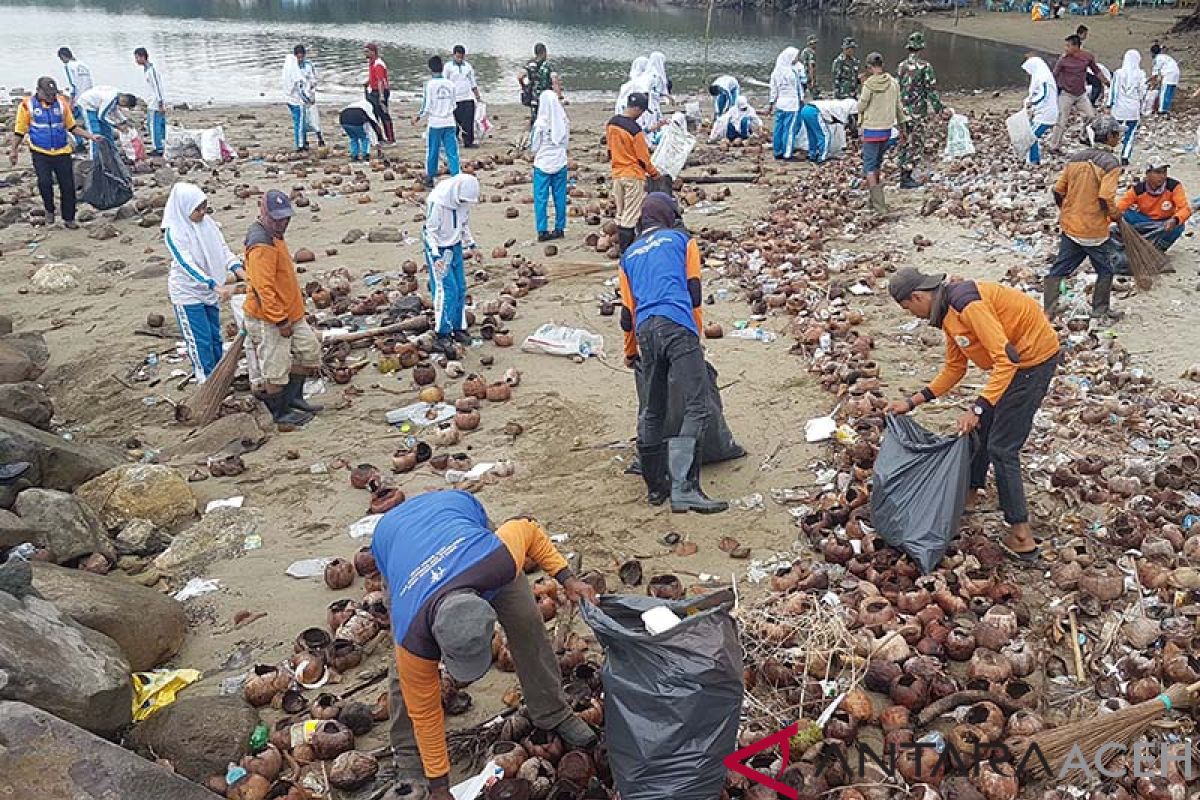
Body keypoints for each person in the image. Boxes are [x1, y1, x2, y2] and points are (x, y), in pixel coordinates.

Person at [372, 490, 599, 800]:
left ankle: (551, 710)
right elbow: (425, 712)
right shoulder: (413, 631)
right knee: (407, 678)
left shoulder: (498, 560)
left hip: (456, 515)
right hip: (394, 539)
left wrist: (568, 578)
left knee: (527, 622)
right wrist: (440, 786)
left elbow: (528, 528)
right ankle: (411, 756)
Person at [887, 268, 1060, 562]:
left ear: (917, 297)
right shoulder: (947, 314)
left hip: (1032, 363)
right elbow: (955, 368)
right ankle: (969, 494)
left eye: (907, 308)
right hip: (1011, 369)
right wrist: (913, 401)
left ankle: (1022, 536)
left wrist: (978, 407)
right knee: (978, 431)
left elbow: (1007, 358)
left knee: (1002, 448)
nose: (911, 315)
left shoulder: (966, 304)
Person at [619, 193, 727, 515]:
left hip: (646, 331)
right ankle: (685, 488)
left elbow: (627, 313)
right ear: (669, 216)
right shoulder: (683, 241)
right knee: (697, 406)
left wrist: (630, 351)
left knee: (653, 409)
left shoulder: (628, 255)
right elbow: (694, 293)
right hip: (677, 324)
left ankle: (656, 487)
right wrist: (694, 335)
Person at [243, 190, 324, 427]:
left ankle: (294, 399)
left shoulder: (274, 234)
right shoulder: (261, 243)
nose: (282, 223)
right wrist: (279, 320)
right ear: (263, 213)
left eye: (285, 218)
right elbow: (262, 288)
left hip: (291, 313)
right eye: (276, 219)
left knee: (309, 352)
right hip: (269, 317)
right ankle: (279, 413)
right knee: (275, 368)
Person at [1044, 115, 1124, 321]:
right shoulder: (1111, 164)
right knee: (1105, 269)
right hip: (1093, 230)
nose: (1119, 139)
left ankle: (1049, 308)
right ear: (1110, 136)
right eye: (1117, 135)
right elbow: (1106, 197)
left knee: (1060, 268)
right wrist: (1115, 215)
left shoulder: (1076, 158)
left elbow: (1058, 189)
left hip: (1071, 226)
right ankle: (1100, 309)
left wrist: (1067, 210)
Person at [163, 182, 245, 383]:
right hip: (188, 293)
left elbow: (223, 249)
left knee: (215, 337)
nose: (202, 213)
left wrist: (238, 269)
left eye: (204, 208)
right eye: (197, 209)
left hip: (211, 291)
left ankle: (221, 376)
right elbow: (186, 264)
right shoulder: (174, 232)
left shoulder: (208, 224)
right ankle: (206, 381)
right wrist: (214, 285)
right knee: (200, 341)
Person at [8, 77, 96, 229]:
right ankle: (49, 209)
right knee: (44, 182)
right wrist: (14, 150)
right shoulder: (27, 105)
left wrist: (91, 137)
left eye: (53, 94)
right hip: (40, 151)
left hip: (62, 151)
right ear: (39, 91)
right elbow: (20, 130)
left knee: (68, 186)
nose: (51, 97)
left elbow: (72, 127)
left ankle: (69, 218)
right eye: (48, 94)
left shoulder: (61, 104)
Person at [424, 174, 480, 349]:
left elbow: (463, 225)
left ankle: (459, 327)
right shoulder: (438, 203)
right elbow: (429, 232)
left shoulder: (463, 204)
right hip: (439, 250)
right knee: (446, 289)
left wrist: (471, 245)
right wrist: (435, 256)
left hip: (455, 247)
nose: (464, 203)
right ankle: (442, 332)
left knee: (461, 287)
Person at [606, 92, 661, 253]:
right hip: (633, 174)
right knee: (630, 217)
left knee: (621, 214)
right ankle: (627, 252)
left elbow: (610, 150)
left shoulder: (612, 123)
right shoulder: (634, 129)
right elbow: (643, 158)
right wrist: (655, 174)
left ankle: (623, 248)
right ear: (637, 109)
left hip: (617, 173)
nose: (641, 114)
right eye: (642, 111)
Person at [896, 32, 948, 189]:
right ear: (921, 48)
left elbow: (898, 88)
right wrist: (940, 109)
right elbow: (930, 91)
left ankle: (902, 173)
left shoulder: (901, 66)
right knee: (916, 143)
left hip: (903, 111)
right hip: (918, 111)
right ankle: (907, 176)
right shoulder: (925, 67)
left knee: (904, 141)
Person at [858, 52, 907, 215]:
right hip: (887, 129)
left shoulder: (869, 84)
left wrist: (862, 85)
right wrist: (903, 128)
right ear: (882, 65)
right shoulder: (893, 83)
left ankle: (879, 205)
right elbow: (899, 107)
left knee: (869, 167)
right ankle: (874, 201)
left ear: (870, 67)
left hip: (871, 129)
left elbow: (861, 106)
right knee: (877, 163)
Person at [1116, 162, 1190, 253]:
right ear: (1148, 174)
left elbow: (1185, 208)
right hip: (1145, 220)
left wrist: (1175, 219)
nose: (1162, 176)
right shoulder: (1138, 189)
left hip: (1165, 222)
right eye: (1158, 172)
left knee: (1179, 225)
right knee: (1125, 215)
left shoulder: (1173, 186)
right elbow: (1120, 207)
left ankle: (1159, 249)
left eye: (1164, 172)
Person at [1050, 35, 1107, 152]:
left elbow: (1096, 71)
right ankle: (1054, 146)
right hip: (1066, 94)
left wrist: (1107, 82)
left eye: (1068, 46)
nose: (1065, 48)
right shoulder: (1063, 60)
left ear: (1076, 46)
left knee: (1091, 116)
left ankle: (1084, 136)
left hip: (1081, 94)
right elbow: (1053, 76)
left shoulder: (1087, 57)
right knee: (1061, 121)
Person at [414, 56, 459, 188]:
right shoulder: (450, 84)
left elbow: (426, 105)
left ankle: (430, 176)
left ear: (430, 69)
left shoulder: (430, 84)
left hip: (435, 122)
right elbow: (454, 104)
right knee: (452, 151)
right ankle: (456, 176)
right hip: (450, 121)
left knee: (432, 150)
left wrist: (418, 116)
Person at [530, 90, 569, 243]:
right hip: (560, 161)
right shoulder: (563, 120)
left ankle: (542, 230)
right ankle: (560, 228)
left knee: (541, 198)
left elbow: (534, 146)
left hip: (543, 163)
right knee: (560, 196)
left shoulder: (540, 123)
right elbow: (566, 142)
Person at [1108, 49, 1146, 166]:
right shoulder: (1141, 74)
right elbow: (1142, 92)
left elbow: (1113, 91)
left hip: (1119, 108)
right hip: (1133, 109)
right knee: (1130, 133)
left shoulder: (1118, 73)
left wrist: (1109, 104)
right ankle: (1125, 156)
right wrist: (1142, 106)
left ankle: (1110, 152)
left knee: (1113, 131)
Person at [76, 85, 138, 156]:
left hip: (98, 106)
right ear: (124, 102)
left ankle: (112, 153)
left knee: (107, 130)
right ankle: (94, 157)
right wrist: (117, 126)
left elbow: (114, 110)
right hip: (87, 104)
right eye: (125, 106)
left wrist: (124, 121)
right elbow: (101, 117)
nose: (123, 107)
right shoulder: (110, 99)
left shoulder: (117, 96)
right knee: (95, 132)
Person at [282, 45, 323, 152]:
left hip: (305, 96)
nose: (300, 59)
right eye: (298, 57)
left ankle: (304, 142)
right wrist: (307, 99)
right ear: (295, 56)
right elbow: (298, 86)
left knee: (306, 121)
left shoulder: (308, 66)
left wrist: (311, 91)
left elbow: (313, 80)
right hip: (297, 99)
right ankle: (300, 145)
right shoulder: (292, 68)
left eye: (302, 57)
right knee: (299, 123)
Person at [1022, 55, 1059, 165]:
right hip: (1041, 112)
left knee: (1030, 136)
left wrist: (1031, 102)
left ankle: (1033, 161)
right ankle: (1034, 159)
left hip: (1046, 113)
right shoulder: (1041, 76)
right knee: (1032, 136)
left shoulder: (1043, 78)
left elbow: (1043, 94)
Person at [768, 47, 802, 161]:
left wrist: (771, 103)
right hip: (792, 104)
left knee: (778, 128)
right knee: (789, 129)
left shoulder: (776, 72)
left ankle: (777, 151)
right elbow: (798, 88)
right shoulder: (792, 72)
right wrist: (801, 99)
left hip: (780, 103)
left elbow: (773, 90)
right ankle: (787, 153)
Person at [444, 45, 482, 148]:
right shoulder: (448, 67)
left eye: (461, 57)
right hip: (454, 98)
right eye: (458, 57)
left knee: (468, 121)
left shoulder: (468, 67)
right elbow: (444, 82)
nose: (459, 59)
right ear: (454, 55)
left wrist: (477, 97)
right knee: (454, 121)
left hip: (467, 97)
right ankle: (453, 140)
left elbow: (473, 82)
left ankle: (468, 142)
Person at [519, 43, 563, 126]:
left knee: (535, 115)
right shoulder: (548, 66)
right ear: (544, 52)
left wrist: (524, 87)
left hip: (533, 95)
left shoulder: (529, 65)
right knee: (546, 116)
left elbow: (520, 76)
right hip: (546, 96)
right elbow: (554, 80)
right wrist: (559, 96)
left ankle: (534, 131)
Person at [133, 47, 166, 156]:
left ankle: (158, 147)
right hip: (152, 101)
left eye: (137, 57)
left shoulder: (152, 70)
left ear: (143, 57)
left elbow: (157, 87)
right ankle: (162, 144)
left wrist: (161, 103)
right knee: (157, 124)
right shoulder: (147, 70)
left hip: (155, 102)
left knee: (154, 125)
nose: (136, 60)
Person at [364, 43, 395, 144]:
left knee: (384, 115)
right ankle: (379, 138)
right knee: (374, 114)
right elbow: (375, 78)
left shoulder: (378, 64)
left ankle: (390, 139)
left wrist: (381, 96)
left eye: (367, 51)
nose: (365, 53)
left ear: (373, 52)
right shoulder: (372, 63)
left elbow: (381, 81)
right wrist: (368, 82)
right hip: (374, 91)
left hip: (380, 92)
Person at [339, 98, 383, 162]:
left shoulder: (356, 104)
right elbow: (374, 124)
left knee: (353, 138)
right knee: (365, 137)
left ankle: (354, 155)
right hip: (356, 120)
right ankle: (365, 155)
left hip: (343, 119)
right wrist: (379, 139)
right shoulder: (368, 108)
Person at [643, 51, 672, 139]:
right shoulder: (655, 76)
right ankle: (651, 137)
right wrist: (665, 95)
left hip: (651, 100)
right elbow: (653, 91)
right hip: (651, 102)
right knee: (653, 118)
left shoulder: (648, 74)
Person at [1149, 43, 1180, 114]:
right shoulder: (1166, 57)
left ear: (1153, 53)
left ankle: (1162, 109)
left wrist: (1152, 86)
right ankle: (1167, 107)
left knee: (1164, 92)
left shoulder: (1157, 59)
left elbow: (1155, 75)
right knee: (1170, 92)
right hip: (1175, 74)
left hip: (1169, 74)